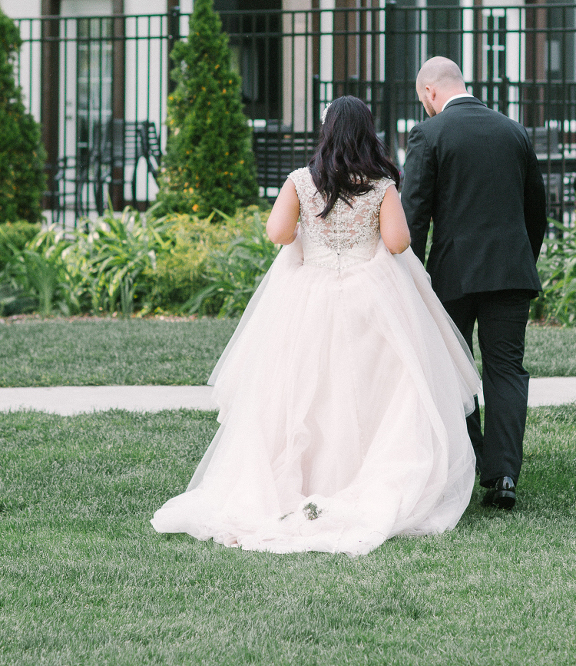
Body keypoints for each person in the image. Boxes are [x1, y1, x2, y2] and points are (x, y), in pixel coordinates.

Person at [151, 95, 480, 556]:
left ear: (325, 131)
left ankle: (302, 481)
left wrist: (315, 231)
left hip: (309, 293)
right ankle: (362, 476)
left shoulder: (302, 182)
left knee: (302, 388)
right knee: (376, 389)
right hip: (373, 295)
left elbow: (278, 234)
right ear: (368, 132)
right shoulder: (381, 184)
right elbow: (399, 242)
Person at [401, 57, 547, 510]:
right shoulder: (514, 131)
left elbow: (413, 216)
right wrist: (520, 261)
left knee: (454, 369)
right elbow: (536, 213)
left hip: (453, 276)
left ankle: (470, 460)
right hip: (510, 274)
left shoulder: (430, 134)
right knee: (506, 370)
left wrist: (415, 279)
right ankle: (503, 475)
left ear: (429, 92)